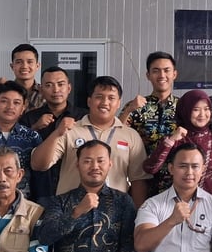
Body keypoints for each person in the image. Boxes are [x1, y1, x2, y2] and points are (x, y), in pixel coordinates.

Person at [31, 75, 150, 207]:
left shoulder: (130, 136)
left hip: (114, 213)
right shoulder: (70, 130)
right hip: (71, 210)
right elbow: (38, 165)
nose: (105, 102)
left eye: (111, 98)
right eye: (99, 97)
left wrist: (137, 216)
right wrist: (56, 134)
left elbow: (138, 180)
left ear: (118, 103)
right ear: (89, 101)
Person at [144, 89, 212, 198]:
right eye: (196, 109)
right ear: (185, 111)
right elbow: (150, 168)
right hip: (175, 203)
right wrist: (171, 141)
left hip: (211, 205)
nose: (202, 114)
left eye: (206, 109)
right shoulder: (174, 139)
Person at [21, 65, 86, 201]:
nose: (56, 90)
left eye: (60, 84)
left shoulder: (83, 117)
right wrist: (35, 128)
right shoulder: (30, 118)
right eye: (49, 85)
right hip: (39, 191)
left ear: (69, 88)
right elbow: (19, 151)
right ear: (41, 90)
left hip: (75, 191)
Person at [121, 52, 180, 158]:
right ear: (148, 75)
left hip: (175, 167)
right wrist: (128, 110)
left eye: (166, 70)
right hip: (142, 167)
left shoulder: (183, 106)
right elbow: (118, 134)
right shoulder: (136, 106)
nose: (162, 75)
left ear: (174, 74)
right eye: (156, 71)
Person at [0, 43, 43, 112]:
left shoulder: (45, 92)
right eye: (19, 62)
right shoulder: (0, 91)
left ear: (37, 66)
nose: (24, 66)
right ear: (12, 66)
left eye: (29, 62)